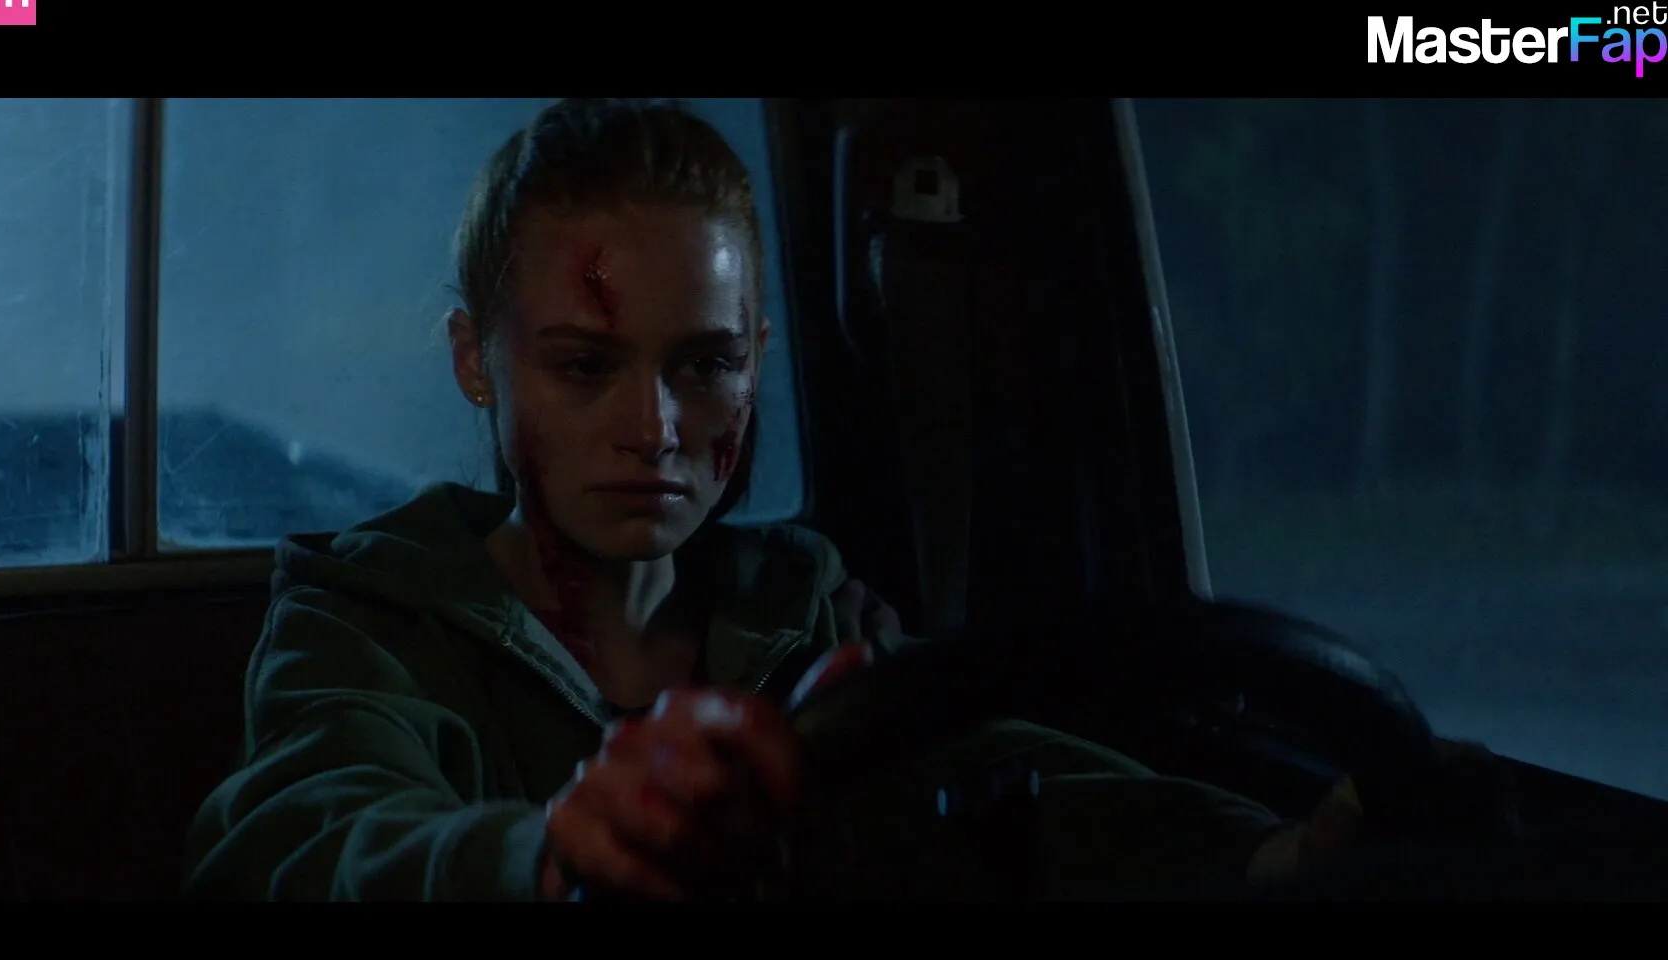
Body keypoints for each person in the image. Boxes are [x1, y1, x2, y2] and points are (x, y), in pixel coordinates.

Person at [183, 98, 1387, 901]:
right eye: (585, 368)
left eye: (705, 366)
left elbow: (1007, 779)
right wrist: (545, 858)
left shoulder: (804, 616)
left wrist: (1273, 854)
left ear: (757, 362)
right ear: (474, 362)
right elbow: (305, 835)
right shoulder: (369, 623)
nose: (655, 429)